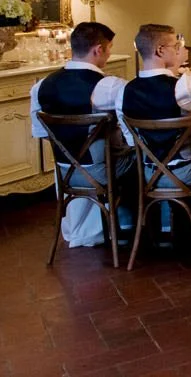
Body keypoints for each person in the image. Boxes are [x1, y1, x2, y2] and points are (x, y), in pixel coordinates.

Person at [30, 22, 136, 248]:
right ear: (98, 49)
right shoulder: (108, 86)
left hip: (65, 172)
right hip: (101, 171)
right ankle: (136, 225)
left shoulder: (41, 86)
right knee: (147, 157)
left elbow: (42, 133)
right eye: (109, 48)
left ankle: (123, 222)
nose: (109, 55)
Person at [116, 22, 191, 193]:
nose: (178, 50)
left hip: (147, 174)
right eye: (175, 46)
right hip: (186, 172)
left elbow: (131, 140)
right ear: (160, 50)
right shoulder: (179, 88)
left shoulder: (124, 92)